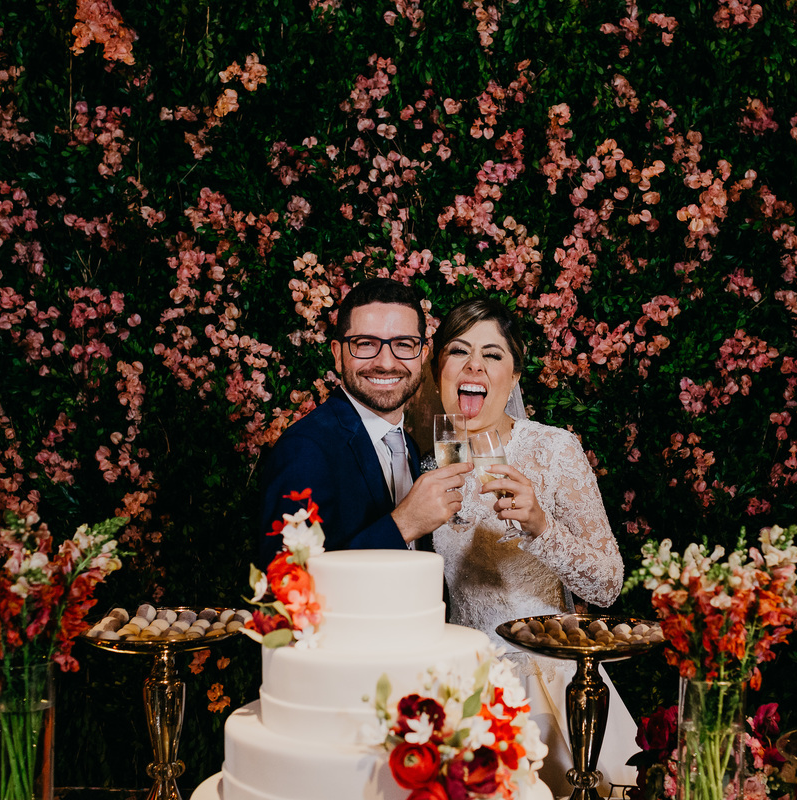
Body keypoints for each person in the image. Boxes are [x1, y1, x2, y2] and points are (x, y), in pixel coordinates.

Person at [429, 297, 638, 796]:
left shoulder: (551, 448)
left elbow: (608, 584)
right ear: (440, 371)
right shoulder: (427, 463)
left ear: (515, 376)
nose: (474, 364)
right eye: (459, 351)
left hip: (546, 687)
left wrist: (540, 524)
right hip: (462, 688)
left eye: (493, 354)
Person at [257, 278, 472, 564]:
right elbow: (284, 584)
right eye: (366, 343)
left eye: (404, 344)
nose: (385, 362)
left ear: (422, 355)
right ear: (338, 354)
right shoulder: (304, 450)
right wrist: (402, 525)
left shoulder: (408, 445)